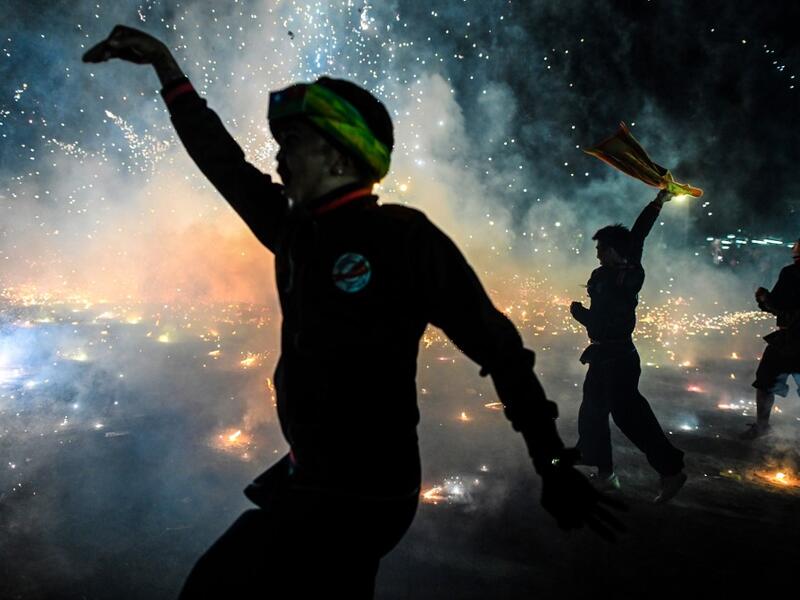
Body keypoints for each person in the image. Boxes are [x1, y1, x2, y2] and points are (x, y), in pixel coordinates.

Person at [84, 25, 623, 598]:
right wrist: (167, 68)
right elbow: (221, 162)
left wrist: (552, 464)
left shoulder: (404, 240)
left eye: (293, 141)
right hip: (310, 477)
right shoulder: (296, 232)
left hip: (365, 492)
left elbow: (501, 350)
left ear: (339, 152)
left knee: (218, 586)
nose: (278, 156)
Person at [570, 190, 686, 503]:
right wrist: (658, 201)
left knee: (630, 417)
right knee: (592, 411)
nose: (596, 254)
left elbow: (602, 322)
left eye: (600, 248)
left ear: (612, 251)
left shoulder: (628, 276)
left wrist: (579, 313)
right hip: (604, 355)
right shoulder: (608, 271)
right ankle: (603, 470)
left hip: (618, 359)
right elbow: (639, 231)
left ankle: (671, 470)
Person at [741, 240, 800, 439]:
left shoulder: (791, 272)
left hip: (789, 339)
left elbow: (778, 304)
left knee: (765, 380)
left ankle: (762, 426)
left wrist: (763, 298)